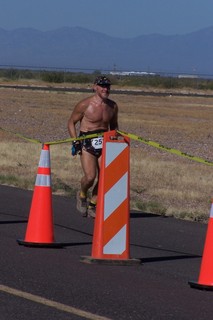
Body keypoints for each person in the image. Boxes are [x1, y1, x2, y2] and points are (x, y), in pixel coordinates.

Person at [68, 76, 119, 218]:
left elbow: (114, 125)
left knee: (105, 177)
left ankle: (93, 205)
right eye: (102, 86)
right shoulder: (85, 104)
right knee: (90, 177)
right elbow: (71, 123)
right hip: (87, 143)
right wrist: (75, 141)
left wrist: (114, 136)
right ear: (95, 87)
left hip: (105, 142)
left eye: (108, 86)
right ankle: (82, 194)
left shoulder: (112, 106)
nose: (105, 89)